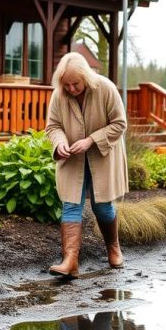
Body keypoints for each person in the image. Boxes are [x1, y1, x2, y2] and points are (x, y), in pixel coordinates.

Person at [44, 52, 128, 278]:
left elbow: (120, 124)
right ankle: (70, 261)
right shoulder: (58, 95)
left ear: (86, 77)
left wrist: (91, 140)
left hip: (103, 157)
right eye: (66, 84)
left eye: (76, 84)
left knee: (102, 206)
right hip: (72, 159)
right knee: (71, 205)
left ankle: (113, 248)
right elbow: (52, 126)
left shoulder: (106, 88)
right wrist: (60, 143)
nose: (71, 89)